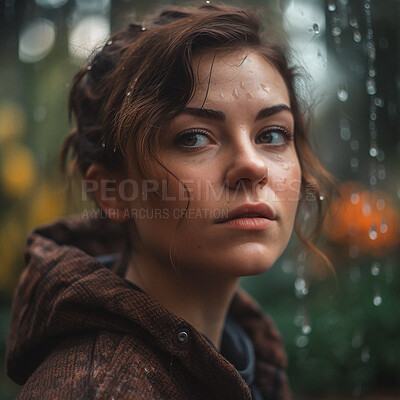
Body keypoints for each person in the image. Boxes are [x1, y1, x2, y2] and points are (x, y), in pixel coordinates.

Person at [6, 3, 334, 399]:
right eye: (194, 137)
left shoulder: (245, 349)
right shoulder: (96, 389)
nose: (252, 165)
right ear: (112, 191)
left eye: (273, 135)